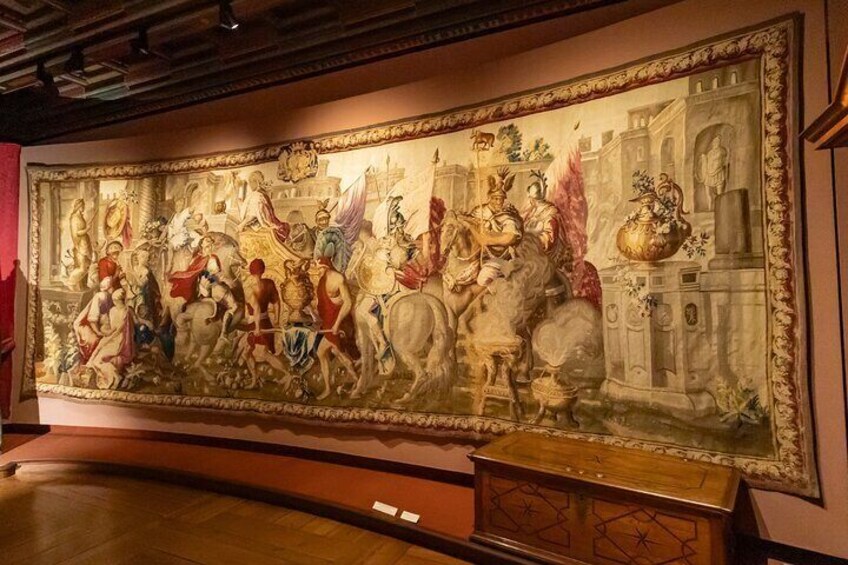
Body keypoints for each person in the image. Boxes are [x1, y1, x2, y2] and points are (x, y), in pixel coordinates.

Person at [467, 172, 524, 287]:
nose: (499, 202)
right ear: (489, 198)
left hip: (499, 258)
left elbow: (510, 238)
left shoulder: (508, 216)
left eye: (501, 199)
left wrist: (487, 239)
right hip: (476, 256)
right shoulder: (479, 211)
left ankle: (494, 296)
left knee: (483, 279)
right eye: (495, 198)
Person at [314, 257, 358, 400]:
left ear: (327, 267)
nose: (318, 271)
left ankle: (354, 382)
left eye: (320, 268)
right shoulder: (322, 280)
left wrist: (337, 324)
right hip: (329, 321)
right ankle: (355, 380)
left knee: (326, 351)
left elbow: (348, 303)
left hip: (341, 320)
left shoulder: (338, 278)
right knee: (333, 351)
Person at [244, 258, 288, 383]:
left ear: (251, 272)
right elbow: (276, 303)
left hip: (257, 324)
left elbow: (257, 310)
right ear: (262, 271)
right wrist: (277, 320)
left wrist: (257, 328)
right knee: (247, 353)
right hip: (265, 322)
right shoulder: (269, 284)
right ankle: (255, 379)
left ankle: (288, 374)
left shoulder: (250, 289)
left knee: (263, 354)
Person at [87, 288, 135, 390]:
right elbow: (112, 328)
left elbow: (118, 331)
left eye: (116, 300)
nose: (114, 302)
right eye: (113, 300)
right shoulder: (113, 310)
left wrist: (107, 339)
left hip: (120, 341)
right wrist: (104, 332)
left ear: (121, 300)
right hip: (112, 336)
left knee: (98, 359)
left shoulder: (126, 312)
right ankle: (91, 368)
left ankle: (115, 377)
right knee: (97, 353)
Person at [521, 180, 572, 272]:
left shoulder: (551, 213)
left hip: (544, 255)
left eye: (530, 198)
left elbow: (549, 239)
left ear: (533, 199)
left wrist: (530, 242)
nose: (530, 200)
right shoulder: (532, 211)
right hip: (528, 251)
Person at [238, 171, 290, 244]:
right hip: (268, 223)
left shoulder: (256, 195)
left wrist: (242, 224)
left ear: (256, 182)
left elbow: (253, 215)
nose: (250, 185)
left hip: (260, 226)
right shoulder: (262, 194)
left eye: (251, 182)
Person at [168, 235, 221, 303]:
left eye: (210, 245)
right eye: (206, 240)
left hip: (207, 280)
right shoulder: (197, 256)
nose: (209, 244)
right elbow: (191, 267)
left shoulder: (212, 258)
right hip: (196, 278)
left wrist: (205, 274)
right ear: (202, 244)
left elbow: (213, 273)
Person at [73, 276, 114, 363]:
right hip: (90, 326)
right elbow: (92, 319)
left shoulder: (112, 296)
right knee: (94, 341)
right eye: (110, 287)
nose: (112, 289)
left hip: (104, 326)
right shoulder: (100, 297)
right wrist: (98, 332)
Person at [313, 201, 351, 273]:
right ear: (316, 221)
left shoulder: (334, 233)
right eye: (321, 220)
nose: (324, 222)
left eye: (326, 219)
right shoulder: (312, 234)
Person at [696, 135, 729, 210]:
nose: (716, 142)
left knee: (719, 194)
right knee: (708, 194)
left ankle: (720, 209)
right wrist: (704, 158)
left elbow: (723, 161)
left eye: (718, 141)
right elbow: (706, 162)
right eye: (715, 141)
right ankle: (710, 208)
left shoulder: (722, 151)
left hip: (718, 173)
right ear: (713, 142)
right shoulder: (710, 152)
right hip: (709, 174)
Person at [66, 198, 93, 290]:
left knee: (87, 265)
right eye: (82, 205)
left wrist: (86, 229)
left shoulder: (80, 217)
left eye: (84, 205)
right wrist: (87, 229)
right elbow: (76, 233)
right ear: (78, 206)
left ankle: (83, 285)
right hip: (81, 244)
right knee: (82, 267)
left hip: (85, 242)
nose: (84, 207)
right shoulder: (75, 218)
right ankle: (71, 282)